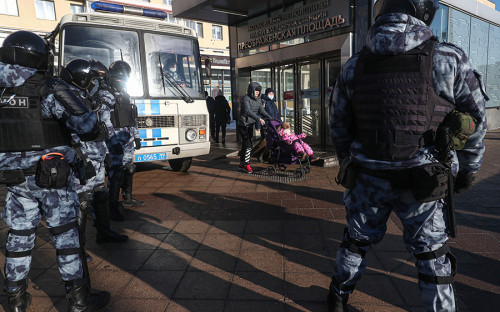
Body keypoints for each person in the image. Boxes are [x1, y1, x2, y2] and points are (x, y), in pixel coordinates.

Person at [327, 1, 487, 311]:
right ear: (424, 11)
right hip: (424, 181)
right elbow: (475, 120)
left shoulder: (355, 64)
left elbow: (338, 123)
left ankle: (337, 297)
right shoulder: (448, 58)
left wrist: (349, 159)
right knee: (431, 257)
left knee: (356, 243)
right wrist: (468, 170)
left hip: (368, 177)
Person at [0, 31, 110, 312]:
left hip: (12, 177)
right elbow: (87, 126)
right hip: (51, 175)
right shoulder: (48, 86)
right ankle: (79, 299)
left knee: (19, 234)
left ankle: (14, 299)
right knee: (65, 234)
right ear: (38, 56)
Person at [61, 59, 129, 245]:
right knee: (82, 201)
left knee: (100, 194)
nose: (94, 84)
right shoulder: (67, 97)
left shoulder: (84, 96)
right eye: (91, 80)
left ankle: (104, 232)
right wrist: (82, 159)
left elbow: (101, 125)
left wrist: (106, 152)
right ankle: (78, 247)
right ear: (81, 78)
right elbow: (70, 134)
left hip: (97, 155)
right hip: (82, 160)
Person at [102, 60, 144, 222]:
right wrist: (111, 143)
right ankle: (112, 205)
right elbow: (105, 121)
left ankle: (127, 197)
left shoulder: (125, 94)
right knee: (115, 173)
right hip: (115, 140)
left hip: (127, 139)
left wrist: (137, 137)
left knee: (129, 169)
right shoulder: (106, 94)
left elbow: (132, 118)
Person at [238, 82, 271, 173]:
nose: (257, 92)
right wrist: (258, 119)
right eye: (256, 91)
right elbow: (248, 111)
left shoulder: (259, 100)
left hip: (250, 124)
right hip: (243, 124)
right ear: (251, 90)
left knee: (245, 145)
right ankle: (246, 165)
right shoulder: (246, 99)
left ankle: (241, 163)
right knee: (249, 145)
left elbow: (261, 110)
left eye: (259, 91)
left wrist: (270, 117)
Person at [252, 87, 280, 162]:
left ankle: (268, 157)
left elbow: (277, 115)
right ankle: (260, 155)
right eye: (270, 93)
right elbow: (259, 114)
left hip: (274, 126)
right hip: (266, 125)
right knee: (265, 142)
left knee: (272, 142)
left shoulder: (273, 104)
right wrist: (258, 126)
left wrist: (281, 124)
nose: (271, 95)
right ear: (267, 94)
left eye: (272, 94)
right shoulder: (263, 102)